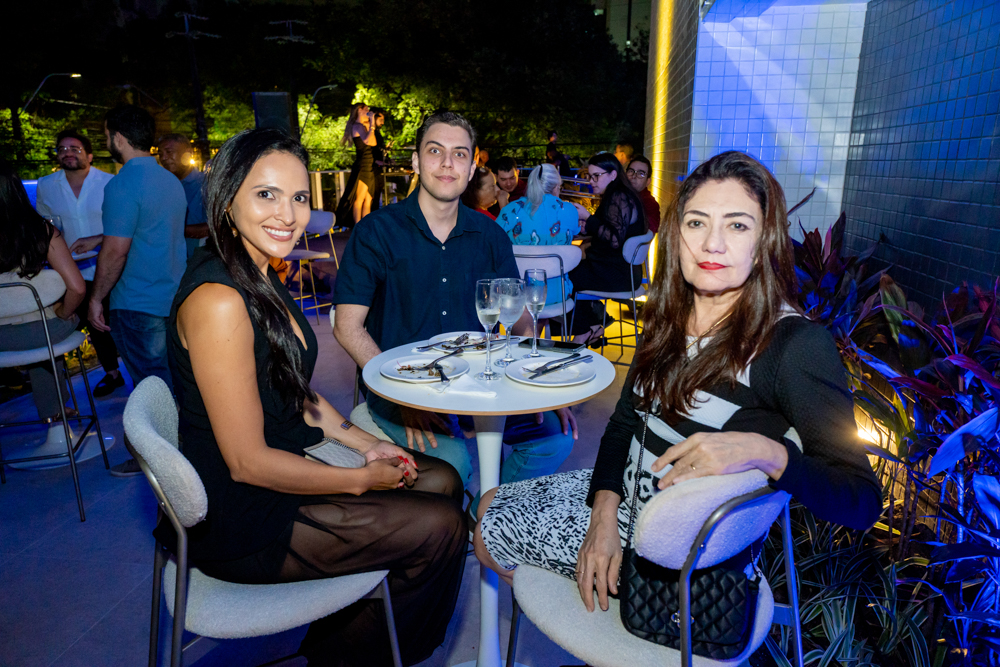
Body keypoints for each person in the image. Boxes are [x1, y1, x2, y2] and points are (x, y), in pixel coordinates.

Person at [474, 151, 882, 618]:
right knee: (488, 501)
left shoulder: (792, 345)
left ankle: (612, 622)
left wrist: (765, 452)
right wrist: (602, 513)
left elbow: (862, 501)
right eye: (696, 223)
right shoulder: (670, 316)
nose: (712, 244)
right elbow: (626, 420)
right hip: (624, 496)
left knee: (489, 533)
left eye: (737, 225)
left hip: (675, 553)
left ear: (764, 240)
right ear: (675, 234)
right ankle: (602, 617)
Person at [153, 128, 466, 667]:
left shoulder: (257, 274)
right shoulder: (220, 301)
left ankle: (343, 637)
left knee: (443, 479)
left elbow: (297, 393)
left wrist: (368, 444)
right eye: (266, 194)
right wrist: (360, 478)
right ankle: (350, 656)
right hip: (243, 517)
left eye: (299, 197)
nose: (288, 214)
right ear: (227, 198)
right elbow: (247, 462)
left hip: (280, 468)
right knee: (442, 529)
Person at [333, 111, 578, 513]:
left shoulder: (490, 234)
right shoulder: (377, 231)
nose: (447, 163)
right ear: (415, 161)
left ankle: (486, 518)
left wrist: (542, 379)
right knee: (456, 461)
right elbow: (347, 327)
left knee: (556, 438)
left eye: (459, 154)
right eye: (435, 151)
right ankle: (457, 526)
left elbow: (517, 316)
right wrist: (402, 397)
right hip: (406, 391)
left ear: (471, 167)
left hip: (479, 386)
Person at [89, 105, 187, 477]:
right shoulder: (169, 180)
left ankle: (159, 461)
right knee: (174, 381)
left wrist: (96, 298)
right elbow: (151, 230)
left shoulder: (122, 184)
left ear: (117, 136)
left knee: (152, 391)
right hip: (172, 296)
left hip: (138, 303)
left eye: (105, 134)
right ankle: (187, 450)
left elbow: (116, 251)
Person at [35, 129, 124, 397]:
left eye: (75, 148)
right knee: (94, 323)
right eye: (62, 149)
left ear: (90, 155)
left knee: (119, 320)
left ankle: (140, 371)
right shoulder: (47, 185)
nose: (68, 153)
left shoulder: (111, 182)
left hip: (111, 262)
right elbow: (45, 225)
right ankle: (112, 373)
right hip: (73, 269)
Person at [1, 161, 86, 423]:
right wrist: (63, 311)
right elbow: (77, 287)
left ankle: (51, 411)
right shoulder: (41, 230)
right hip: (40, 333)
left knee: (43, 327)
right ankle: (55, 410)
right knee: (53, 324)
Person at [563, 151, 647, 343]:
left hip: (619, 274)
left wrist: (588, 217)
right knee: (569, 271)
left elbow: (615, 239)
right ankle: (591, 327)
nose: (592, 181)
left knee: (563, 276)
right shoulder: (617, 194)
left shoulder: (619, 197)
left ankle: (585, 329)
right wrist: (587, 227)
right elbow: (610, 229)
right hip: (619, 269)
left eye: (596, 176)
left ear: (613, 175)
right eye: (589, 176)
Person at [496, 163, 581, 310]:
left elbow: (495, 241)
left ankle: (530, 332)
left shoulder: (510, 210)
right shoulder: (569, 210)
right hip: (557, 294)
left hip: (518, 294)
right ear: (556, 187)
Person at [156, 133, 208, 259]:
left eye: (169, 152)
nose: (164, 158)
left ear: (188, 153)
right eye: (160, 153)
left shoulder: (205, 185)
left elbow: (212, 227)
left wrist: (170, 230)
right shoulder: (161, 186)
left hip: (197, 264)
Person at [335, 103, 377, 225]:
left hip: (369, 163)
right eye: (366, 110)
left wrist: (370, 125)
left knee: (368, 198)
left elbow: (373, 143)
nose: (368, 111)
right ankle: (358, 226)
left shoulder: (365, 126)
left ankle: (366, 226)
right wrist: (372, 124)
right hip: (363, 164)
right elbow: (368, 140)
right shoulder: (357, 126)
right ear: (359, 110)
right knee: (360, 198)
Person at [627, 154, 661, 233]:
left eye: (640, 173)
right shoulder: (618, 195)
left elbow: (649, 228)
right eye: (631, 171)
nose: (633, 176)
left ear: (648, 181)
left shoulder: (650, 204)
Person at [370, 109, 389, 210]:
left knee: (377, 194)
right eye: (381, 119)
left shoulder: (377, 133)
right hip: (374, 167)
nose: (383, 122)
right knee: (374, 195)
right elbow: (372, 149)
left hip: (379, 166)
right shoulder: (372, 133)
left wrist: (387, 159)